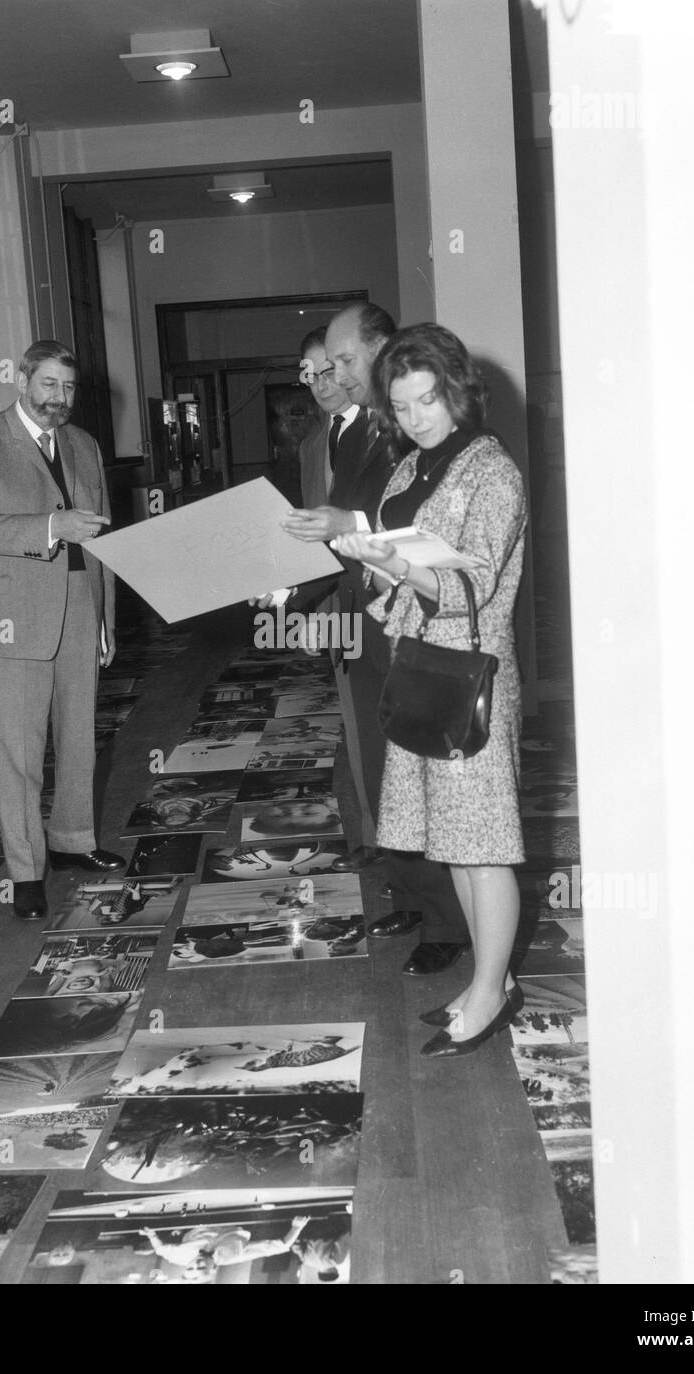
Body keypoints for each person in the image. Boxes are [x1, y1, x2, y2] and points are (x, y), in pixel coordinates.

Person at [332, 323, 528, 1056]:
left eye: (428, 400)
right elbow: (400, 572)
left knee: (484, 846)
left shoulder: (490, 470)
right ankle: (491, 980)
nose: (416, 418)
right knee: (453, 844)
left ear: (456, 391)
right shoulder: (408, 465)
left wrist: (404, 568)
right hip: (418, 665)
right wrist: (372, 561)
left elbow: (477, 581)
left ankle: (489, 993)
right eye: (402, 405)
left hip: (468, 675)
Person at [284, 304, 471, 977]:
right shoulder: (365, 427)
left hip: (414, 623)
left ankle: (451, 921)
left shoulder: (420, 425)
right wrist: (287, 590)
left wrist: (348, 520)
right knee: (383, 771)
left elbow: (426, 524)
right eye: (327, 365)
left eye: (341, 362)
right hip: (366, 618)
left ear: (380, 347)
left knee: (424, 774)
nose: (334, 375)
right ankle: (414, 894)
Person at [0, 339, 125, 921]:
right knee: (19, 751)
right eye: (48, 384)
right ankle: (25, 872)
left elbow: (102, 542)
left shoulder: (85, 445)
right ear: (21, 382)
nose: (59, 398)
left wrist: (104, 616)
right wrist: (53, 525)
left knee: (78, 738)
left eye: (68, 387)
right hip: (12, 615)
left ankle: (74, 840)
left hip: (80, 606)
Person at [139, 1217, 311, 1283]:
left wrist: (152, 1235)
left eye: (191, 1268)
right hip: (232, 1213)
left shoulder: (178, 1258)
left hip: (198, 1214)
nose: (196, 1264)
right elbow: (279, 1247)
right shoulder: (234, 1255)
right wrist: (297, 1227)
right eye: (201, 1268)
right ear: (213, 1269)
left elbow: (160, 1249)